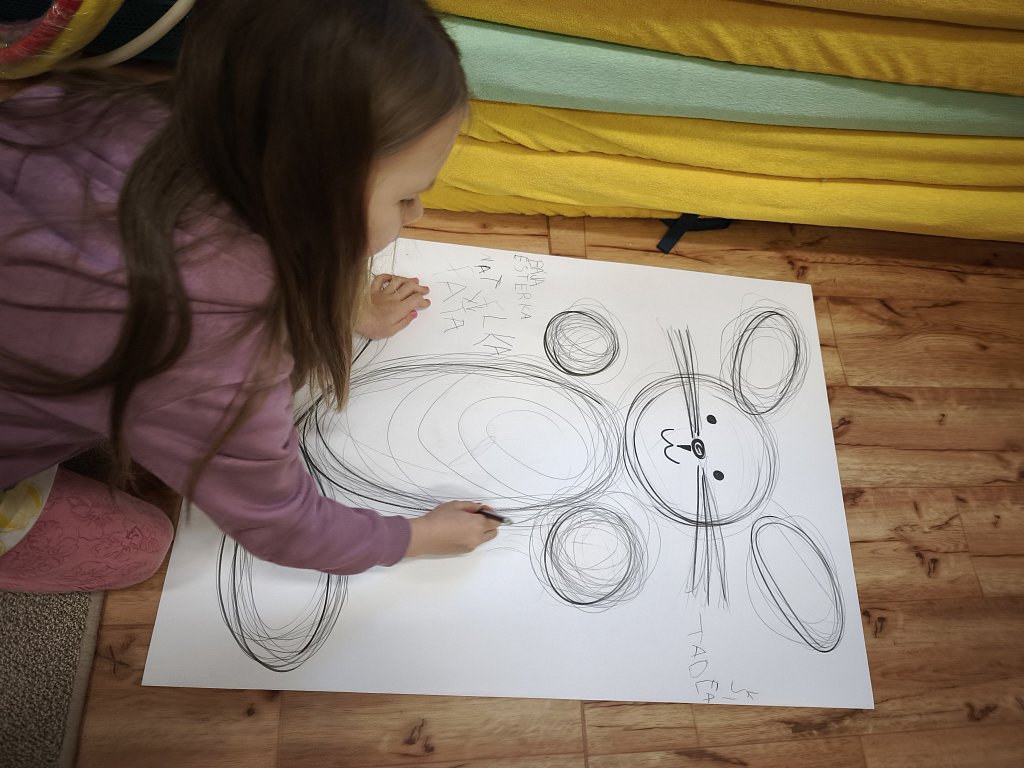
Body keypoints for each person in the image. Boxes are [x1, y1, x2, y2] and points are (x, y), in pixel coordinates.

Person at [0, 0, 501, 593]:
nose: (416, 215)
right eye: (406, 197)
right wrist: (416, 536)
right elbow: (282, 523)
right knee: (137, 545)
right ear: (308, 188)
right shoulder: (210, 350)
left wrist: (348, 304)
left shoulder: (121, 106)